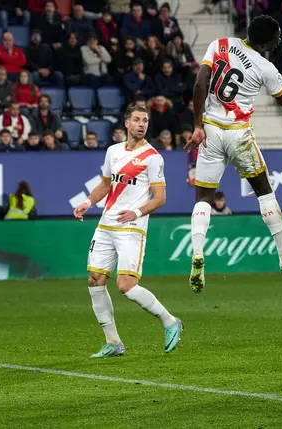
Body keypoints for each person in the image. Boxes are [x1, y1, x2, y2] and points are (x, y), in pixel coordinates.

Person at [185, 15, 282, 293]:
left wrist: (197, 125)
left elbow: (200, 85)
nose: (278, 41)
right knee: (265, 192)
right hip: (239, 133)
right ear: (268, 42)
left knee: (203, 196)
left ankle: (197, 252)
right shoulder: (266, 67)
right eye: (276, 38)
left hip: (210, 129)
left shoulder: (219, 44)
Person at [73, 104, 182, 358]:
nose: (142, 124)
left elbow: (160, 197)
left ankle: (170, 321)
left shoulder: (153, 157)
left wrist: (137, 212)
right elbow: (104, 185)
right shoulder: (113, 152)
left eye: (145, 120)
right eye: (137, 119)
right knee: (95, 279)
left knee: (125, 285)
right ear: (127, 123)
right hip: (106, 224)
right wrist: (87, 203)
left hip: (131, 227)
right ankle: (113, 342)